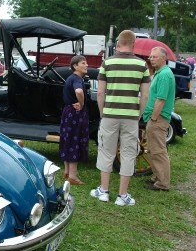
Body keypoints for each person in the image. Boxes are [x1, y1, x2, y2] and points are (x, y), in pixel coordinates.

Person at [90, 30, 150, 206]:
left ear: (118, 43)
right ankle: (122, 195)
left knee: (106, 151)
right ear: (133, 44)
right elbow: (145, 96)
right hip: (131, 116)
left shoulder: (107, 62)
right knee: (128, 153)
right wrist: (137, 115)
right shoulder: (142, 65)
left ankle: (103, 190)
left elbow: (100, 92)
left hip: (109, 114)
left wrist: (103, 113)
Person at [142, 47, 175, 191]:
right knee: (152, 150)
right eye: (150, 56)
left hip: (158, 118)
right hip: (155, 117)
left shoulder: (164, 75)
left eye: (154, 56)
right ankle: (157, 177)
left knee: (158, 151)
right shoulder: (159, 73)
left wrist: (154, 118)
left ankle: (163, 183)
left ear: (163, 58)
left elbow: (161, 100)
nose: (151, 58)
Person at [59, 55, 89, 185]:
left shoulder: (70, 78)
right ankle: (72, 176)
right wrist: (81, 104)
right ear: (75, 66)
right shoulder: (77, 79)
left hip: (67, 111)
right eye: (83, 63)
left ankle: (66, 171)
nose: (86, 65)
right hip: (75, 113)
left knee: (67, 139)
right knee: (74, 141)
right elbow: (79, 91)